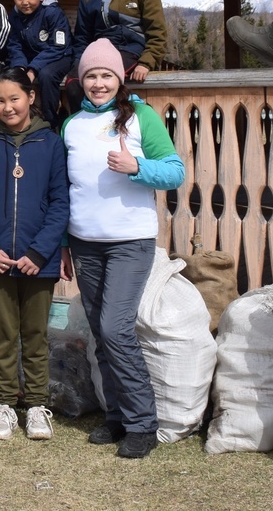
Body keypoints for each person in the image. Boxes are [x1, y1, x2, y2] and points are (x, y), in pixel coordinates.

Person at [60, 39, 184, 459]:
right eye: (91, 75)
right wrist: (63, 244)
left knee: (116, 328)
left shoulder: (141, 117)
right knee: (99, 330)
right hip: (84, 242)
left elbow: (174, 172)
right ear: (81, 80)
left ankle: (142, 423)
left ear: (119, 78)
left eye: (106, 75)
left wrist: (138, 168)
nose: (98, 83)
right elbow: (66, 190)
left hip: (130, 240)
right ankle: (115, 416)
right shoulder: (72, 124)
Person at [0, 68, 70, 441]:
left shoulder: (51, 142)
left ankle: (37, 404)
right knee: (2, 336)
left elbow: (60, 203)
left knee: (36, 334)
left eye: (14, 98)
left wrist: (41, 253)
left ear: (30, 97)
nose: (7, 107)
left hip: (37, 262)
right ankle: (6, 403)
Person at [8, 0, 74, 127]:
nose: (25, 2)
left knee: (46, 75)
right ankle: (20, 118)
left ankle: (50, 120)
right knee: (12, 75)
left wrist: (33, 69)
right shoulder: (14, 16)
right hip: (32, 59)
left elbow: (58, 46)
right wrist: (20, 66)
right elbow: (14, 44)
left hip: (60, 56)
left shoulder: (52, 13)